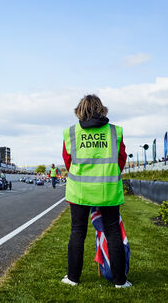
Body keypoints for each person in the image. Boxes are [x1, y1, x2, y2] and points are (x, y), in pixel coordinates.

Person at [61, 94, 131, 288]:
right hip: (108, 190)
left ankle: (73, 278)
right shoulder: (114, 132)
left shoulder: (71, 132)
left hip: (79, 190)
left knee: (77, 232)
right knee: (112, 232)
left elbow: (68, 161)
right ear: (102, 109)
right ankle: (120, 281)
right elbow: (121, 159)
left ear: (79, 110)